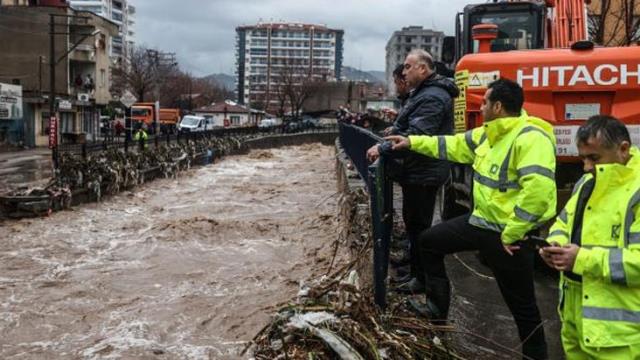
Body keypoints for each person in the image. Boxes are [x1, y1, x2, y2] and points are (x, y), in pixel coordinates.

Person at [385, 78, 556, 359]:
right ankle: (437, 310)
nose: (482, 105)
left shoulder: (530, 138)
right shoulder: (489, 134)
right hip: (479, 223)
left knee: (523, 309)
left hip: (506, 237)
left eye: (485, 101)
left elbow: (539, 192)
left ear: (498, 106)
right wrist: (411, 141)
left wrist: (513, 233)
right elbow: (451, 145)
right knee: (429, 242)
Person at [540, 115, 640, 359]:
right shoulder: (586, 183)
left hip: (621, 337)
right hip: (576, 322)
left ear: (623, 149)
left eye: (594, 158)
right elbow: (563, 223)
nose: (586, 167)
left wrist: (579, 259)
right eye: (582, 158)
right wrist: (556, 245)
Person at [367, 49, 458, 294]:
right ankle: (416, 273)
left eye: (408, 67)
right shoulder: (425, 93)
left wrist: (382, 148)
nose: (404, 71)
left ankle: (421, 280)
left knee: (419, 226)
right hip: (419, 170)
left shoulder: (432, 97)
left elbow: (416, 136)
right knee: (414, 224)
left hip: (423, 171)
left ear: (423, 69)